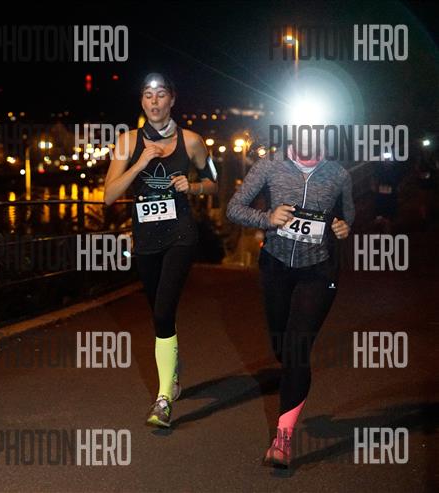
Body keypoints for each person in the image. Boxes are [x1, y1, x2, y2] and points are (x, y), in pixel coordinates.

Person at [227, 136, 354, 467]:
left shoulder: (338, 174)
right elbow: (234, 209)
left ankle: (282, 439)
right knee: (283, 350)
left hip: (318, 271)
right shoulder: (269, 165)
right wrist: (267, 219)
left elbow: (347, 217)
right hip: (276, 267)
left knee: (297, 350)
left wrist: (344, 227)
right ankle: (294, 378)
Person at [104, 73, 217, 427]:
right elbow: (108, 195)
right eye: (148, 95)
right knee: (159, 314)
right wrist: (139, 163)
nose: (154, 101)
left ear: (172, 99)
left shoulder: (192, 141)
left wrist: (193, 187)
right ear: (142, 101)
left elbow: (215, 182)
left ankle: (163, 400)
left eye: (161, 94)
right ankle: (173, 372)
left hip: (181, 235)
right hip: (146, 240)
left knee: (165, 310)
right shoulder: (126, 142)